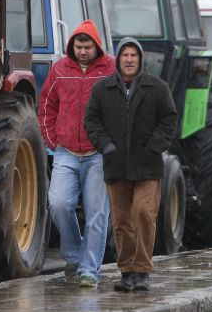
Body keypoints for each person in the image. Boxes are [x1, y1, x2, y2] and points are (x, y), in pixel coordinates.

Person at [84, 37, 178, 292]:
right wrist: (106, 146)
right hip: (116, 167)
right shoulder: (103, 90)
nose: (128, 59)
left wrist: (153, 147)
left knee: (144, 213)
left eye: (133, 55)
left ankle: (143, 270)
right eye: (124, 55)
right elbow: (91, 120)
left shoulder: (157, 88)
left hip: (147, 167)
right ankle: (127, 272)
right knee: (122, 220)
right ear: (117, 59)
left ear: (140, 59)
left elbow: (169, 119)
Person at [38, 20, 116, 289]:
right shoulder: (60, 70)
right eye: (78, 47)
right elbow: (47, 106)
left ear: (97, 46)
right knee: (58, 204)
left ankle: (89, 271)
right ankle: (74, 256)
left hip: (98, 155)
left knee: (97, 213)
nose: (82, 52)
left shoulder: (111, 69)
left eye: (87, 47)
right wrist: (53, 140)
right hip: (66, 153)